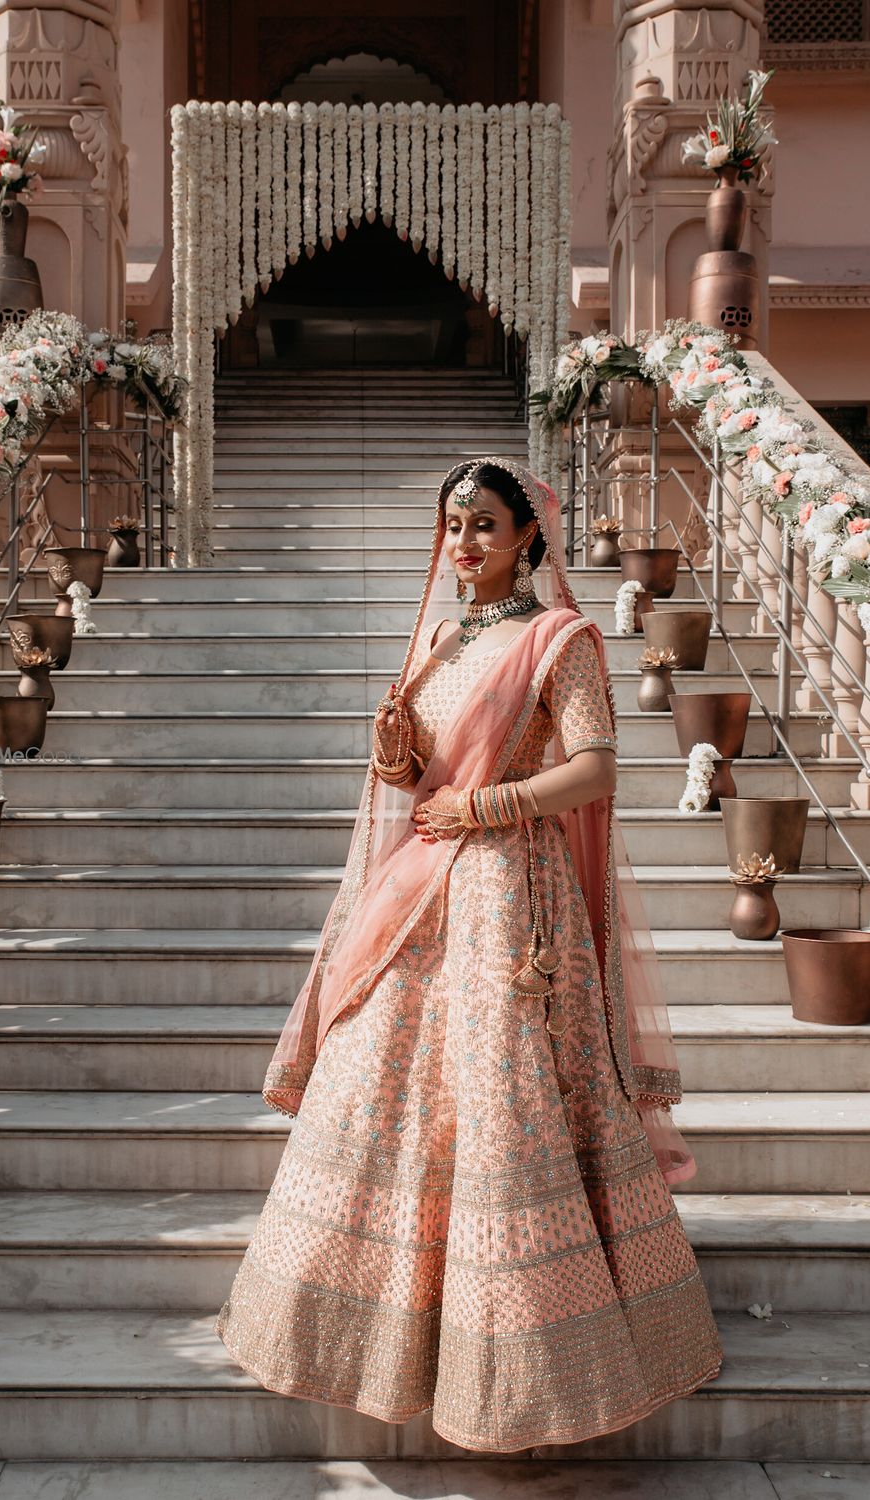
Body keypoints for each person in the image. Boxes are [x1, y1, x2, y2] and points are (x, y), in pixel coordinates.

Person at [215, 456, 723, 1452]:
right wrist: (395, 751)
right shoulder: (443, 638)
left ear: (529, 535)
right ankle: (372, 1340)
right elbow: (414, 776)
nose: (464, 543)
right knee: (380, 1083)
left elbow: (594, 769)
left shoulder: (559, 640)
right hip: (422, 887)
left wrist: (485, 805)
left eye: (485, 525)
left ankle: (528, 1374)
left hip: (509, 900)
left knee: (503, 1106)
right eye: (453, 525)